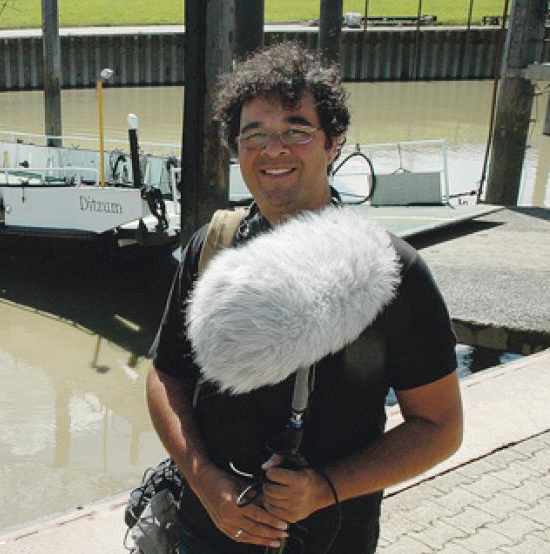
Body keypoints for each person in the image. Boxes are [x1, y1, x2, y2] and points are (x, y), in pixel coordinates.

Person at [146, 42, 463, 553]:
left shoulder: (392, 271)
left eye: (296, 131)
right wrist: (207, 484)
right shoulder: (214, 248)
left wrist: (327, 488)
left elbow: (439, 426)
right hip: (205, 533)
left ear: (333, 141)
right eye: (254, 135)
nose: (274, 150)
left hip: (333, 540)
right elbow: (167, 375)